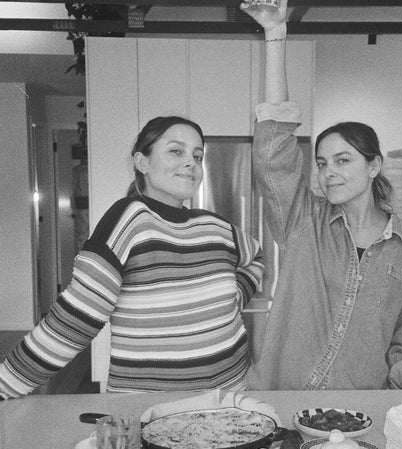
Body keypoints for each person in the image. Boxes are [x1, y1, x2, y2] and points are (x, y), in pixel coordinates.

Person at [241, 0, 402, 391]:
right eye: (322, 163)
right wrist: (276, 34)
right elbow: (272, 152)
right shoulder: (304, 221)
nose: (328, 172)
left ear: (374, 166)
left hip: (356, 410)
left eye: (343, 160)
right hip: (283, 398)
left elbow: (400, 347)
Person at [0, 116, 264, 399]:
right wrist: (4, 385)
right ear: (142, 162)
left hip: (228, 401)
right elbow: (76, 319)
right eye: (176, 151)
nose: (191, 162)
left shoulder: (216, 227)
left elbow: (256, 257)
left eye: (197, 156)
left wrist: (232, 299)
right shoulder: (129, 220)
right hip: (146, 408)